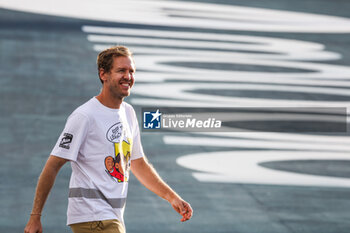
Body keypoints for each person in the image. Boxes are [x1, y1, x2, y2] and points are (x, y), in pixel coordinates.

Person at [24, 46, 193, 233]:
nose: (128, 76)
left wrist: (172, 197)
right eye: (121, 71)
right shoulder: (84, 116)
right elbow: (53, 164)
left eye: (131, 71)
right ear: (103, 74)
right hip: (93, 217)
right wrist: (35, 217)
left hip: (112, 217)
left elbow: (138, 163)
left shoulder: (128, 113)